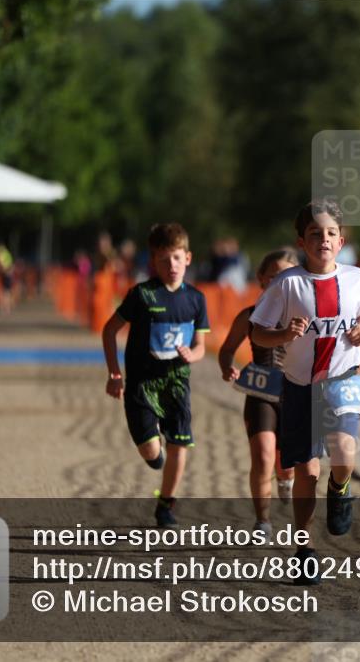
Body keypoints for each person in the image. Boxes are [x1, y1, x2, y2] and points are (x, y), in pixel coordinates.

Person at [250, 200, 360, 585]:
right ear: (301, 241)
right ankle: (304, 551)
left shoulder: (355, 278)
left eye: (331, 233)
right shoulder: (286, 284)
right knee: (306, 470)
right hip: (300, 385)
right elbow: (257, 332)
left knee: (344, 452)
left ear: (342, 240)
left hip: (343, 378)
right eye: (315, 234)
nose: (324, 239)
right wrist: (285, 335)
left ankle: (341, 487)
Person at [101, 223, 211, 528]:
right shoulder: (142, 295)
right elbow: (109, 331)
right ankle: (155, 457)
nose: (171, 265)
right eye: (164, 259)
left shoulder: (196, 300)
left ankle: (166, 504)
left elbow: (201, 346)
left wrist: (194, 354)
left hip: (177, 384)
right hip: (141, 385)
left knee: (180, 444)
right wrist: (114, 374)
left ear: (187, 258)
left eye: (176, 258)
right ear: (154, 261)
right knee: (152, 451)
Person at [219, 249, 300, 535]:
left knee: (287, 463)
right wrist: (227, 366)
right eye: (274, 276)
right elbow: (227, 349)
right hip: (260, 393)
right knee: (263, 455)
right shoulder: (250, 316)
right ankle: (263, 521)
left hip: (295, 395)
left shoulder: (305, 316)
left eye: (287, 277)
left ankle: (285, 478)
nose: (280, 282)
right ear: (262, 280)